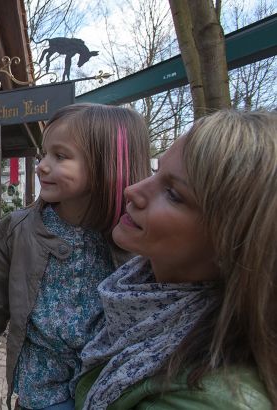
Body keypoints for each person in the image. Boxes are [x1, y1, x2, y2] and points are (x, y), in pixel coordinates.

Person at [0, 103, 152, 409]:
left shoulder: (139, 237)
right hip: (40, 391)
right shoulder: (15, 231)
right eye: (44, 153)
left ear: (107, 165)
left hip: (109, 390)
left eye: (60, 156)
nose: (41, 165)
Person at [75, 110, 276, 409]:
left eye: (173, 193)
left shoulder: (207, 399)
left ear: (235, 242)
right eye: (156, 172)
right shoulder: (142, 290)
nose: (132, 190)